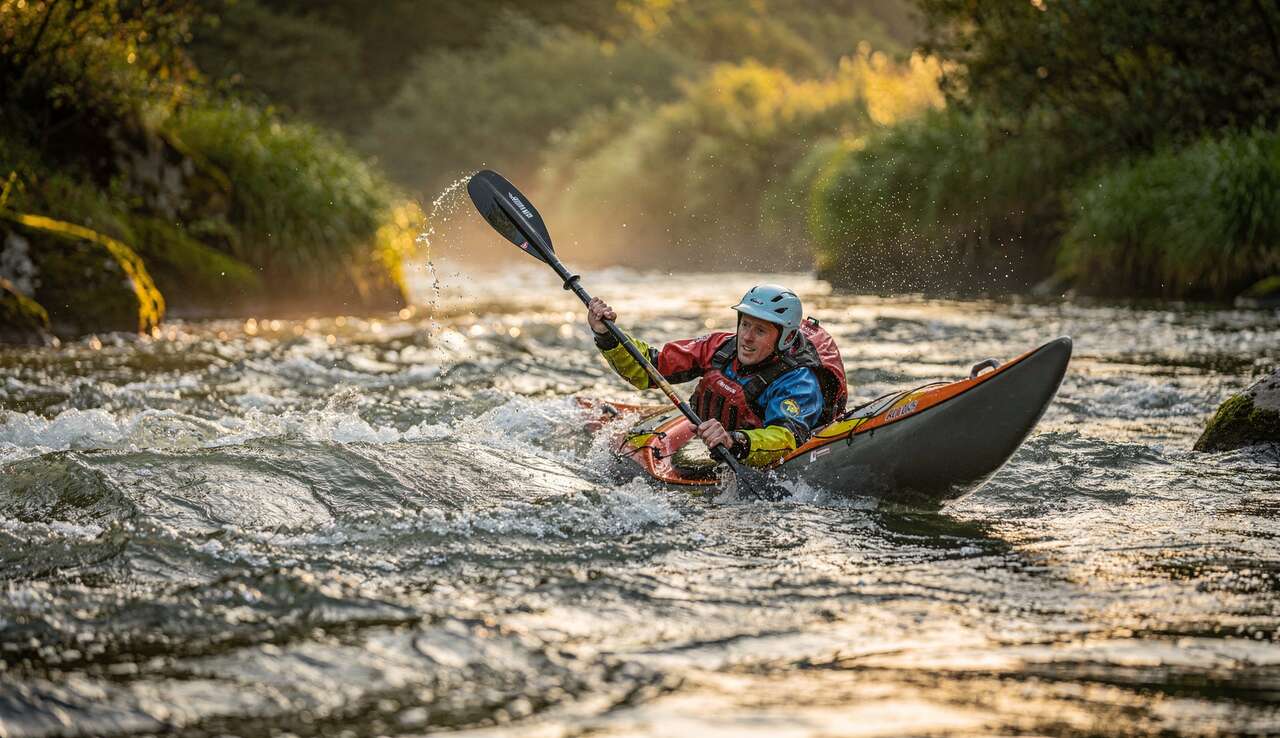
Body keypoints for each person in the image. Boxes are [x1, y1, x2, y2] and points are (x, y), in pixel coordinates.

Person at [587, 284, 846, 467]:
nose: (746, 337)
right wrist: (606, 335)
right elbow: (650, 368)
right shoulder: (720, 347)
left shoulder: (799, 380)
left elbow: (787, 438)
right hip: (711, 437)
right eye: (745, 324)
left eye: (760, 330)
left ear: (786, 337)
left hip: (751, 450)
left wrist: (735, 441)